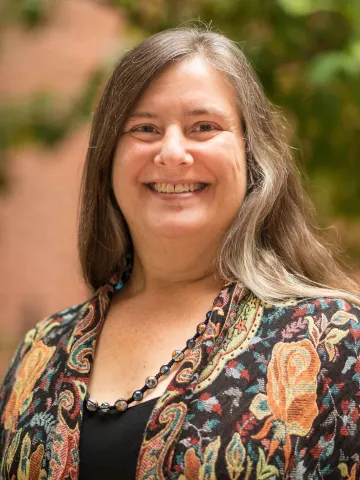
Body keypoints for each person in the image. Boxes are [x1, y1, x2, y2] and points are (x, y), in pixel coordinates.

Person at [1, 25, 360, 480]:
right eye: (145, 128)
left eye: (203, 127)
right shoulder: (41, 350)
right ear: (109, 158)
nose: (172, 153)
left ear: (252, 156)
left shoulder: (331, 341)